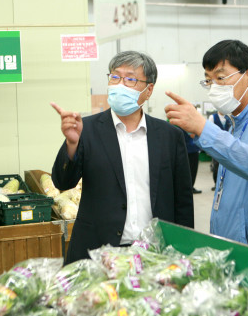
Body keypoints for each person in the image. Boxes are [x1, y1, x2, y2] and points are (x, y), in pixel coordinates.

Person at [51, 51, 194, 264]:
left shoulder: (169, 136)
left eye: (130, 79)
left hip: (154, 253)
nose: (120, 85)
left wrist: (184, 251)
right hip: (97, 251)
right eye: (115, 77)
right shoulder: (86, 129)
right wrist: (72, 145)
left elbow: (183, 200)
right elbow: (63, 182)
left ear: (148, 90)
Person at [164, 40, 248, 256]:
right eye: (209, 81)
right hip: (229, 248)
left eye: (220, 78)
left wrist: (204, 129)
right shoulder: (235, 124)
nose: (214, 88)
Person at [208, 112, 231, 190]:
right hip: (216, 146)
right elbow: (209, 132)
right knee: (216, 166)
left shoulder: (229, 118)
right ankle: (216, 184)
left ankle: (225, 184)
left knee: (227, 166)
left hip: (227, 146)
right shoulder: (213, 117)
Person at [179, 127, 202, 194]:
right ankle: (188, 188)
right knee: (189, 171)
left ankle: (190, 187)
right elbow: (192, 135)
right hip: (188, 150)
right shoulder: (184, 125)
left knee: (193, 170)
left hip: (193, 149)